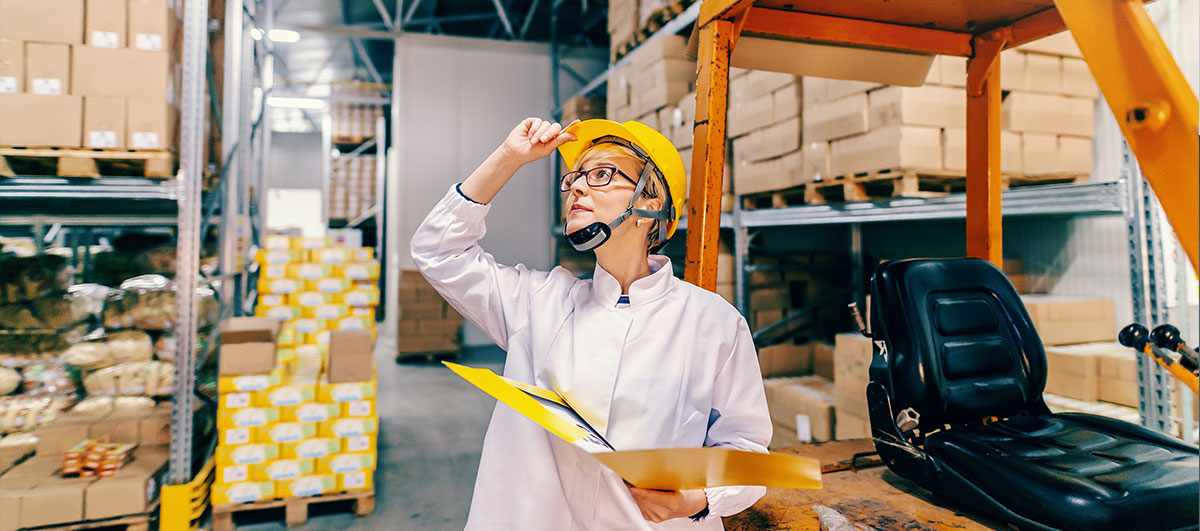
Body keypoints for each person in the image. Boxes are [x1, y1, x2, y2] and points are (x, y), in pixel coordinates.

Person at [410, 117, 771, 530]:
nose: (577, 187)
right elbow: (437, 251)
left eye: (600, 175)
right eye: (575, 178)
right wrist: (509, 157)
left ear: (650, 203)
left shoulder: (713, 323)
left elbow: (746, 448)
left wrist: (698, 499)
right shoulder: (537, 304)